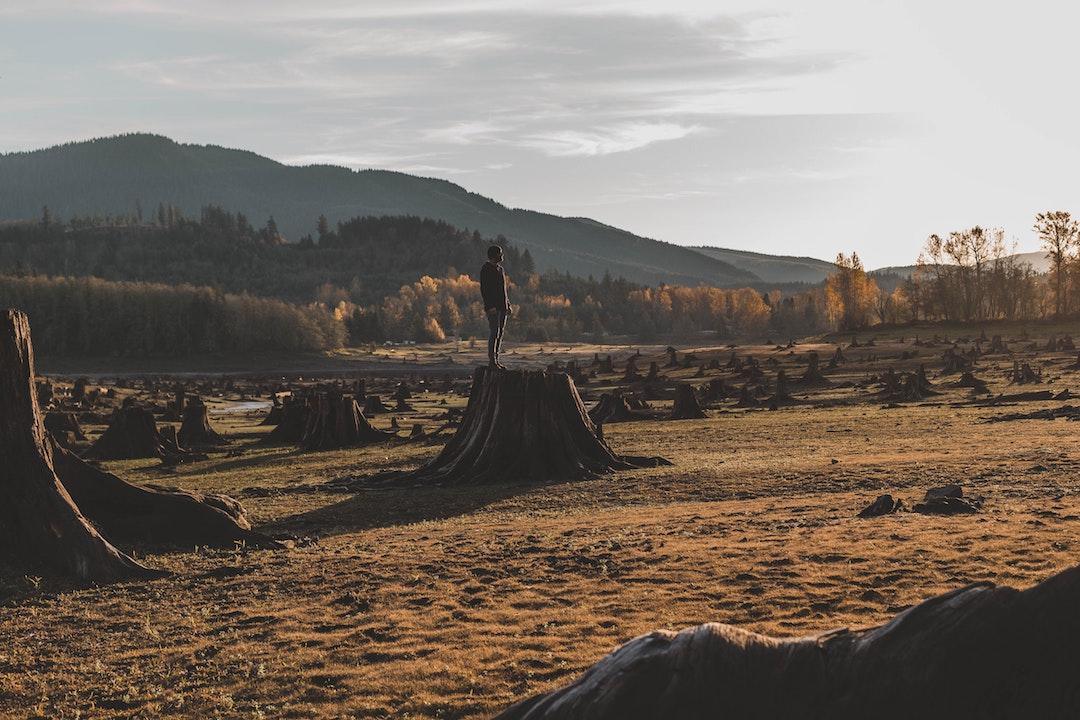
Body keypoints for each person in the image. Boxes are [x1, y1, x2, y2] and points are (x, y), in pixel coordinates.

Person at [480, 244, 511, 368]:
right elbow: (484, 290)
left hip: (502, 307)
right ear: (494, 255)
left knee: (500, 333)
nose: (502, 255)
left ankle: (496, 359)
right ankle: (492, 361)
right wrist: (489, 306)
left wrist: (508, 304)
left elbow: (503, 290)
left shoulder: (500, 269)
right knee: (494, 332)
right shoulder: (486, 269)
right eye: (500, 253)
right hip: (493, 308)